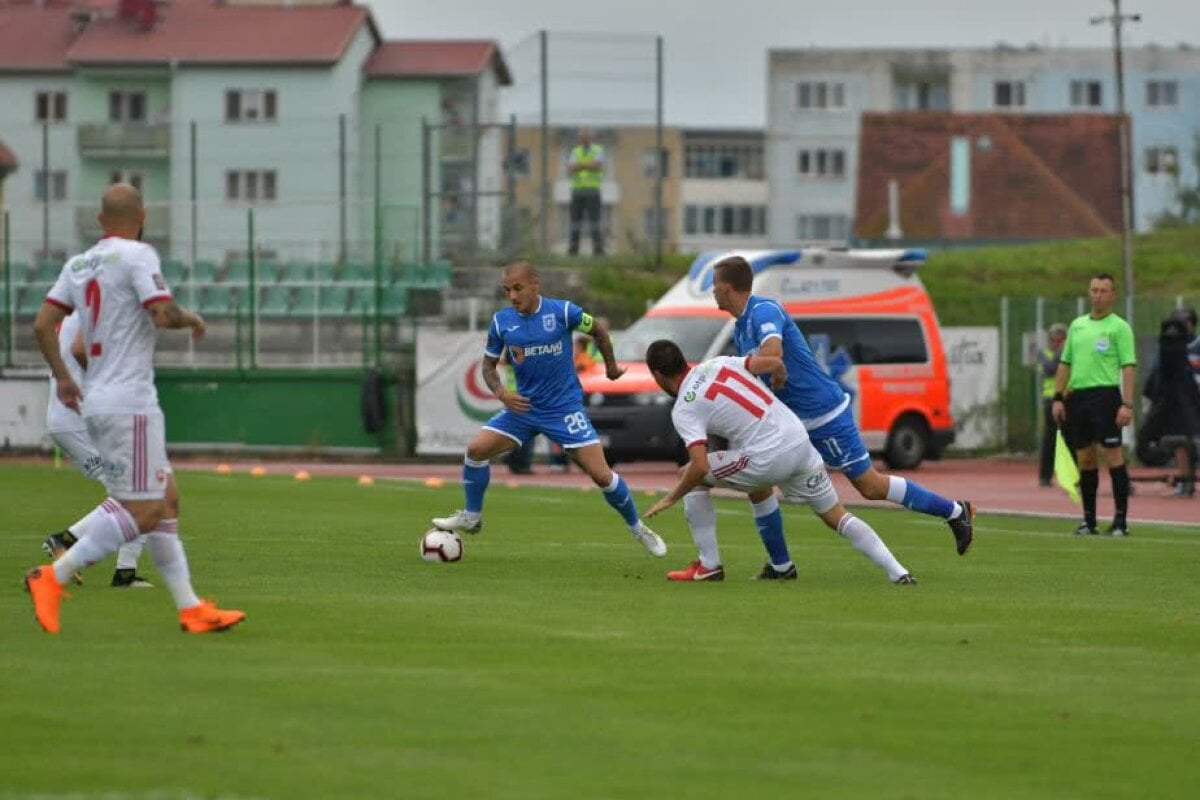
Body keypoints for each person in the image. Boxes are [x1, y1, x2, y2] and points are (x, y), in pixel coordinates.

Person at [23, 183, 245, 634]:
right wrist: (192, 319)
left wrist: (64, 379)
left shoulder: (79, 265)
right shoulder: (138, 256)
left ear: (100, 220)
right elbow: (162, 313)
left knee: (167, 499)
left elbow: (43, 325)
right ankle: (54, 576)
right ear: (142, 216)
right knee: (144, 510)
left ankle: (190, 607)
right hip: (132, 402)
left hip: (101, 401)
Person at [708, 255, 974, 577]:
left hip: (822, 415)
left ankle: (955, 511)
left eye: (714, 285)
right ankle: (781, 566)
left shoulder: (763, 310)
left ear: (727, 287)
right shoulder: (740, 327)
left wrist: (757, 368)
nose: (712, 291)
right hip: (790, 424)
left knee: (870, 486)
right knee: (759, 484)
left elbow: (773, 353)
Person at [431, 260, 665, 557]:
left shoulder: (563, 312)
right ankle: (472, 516)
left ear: (534, 284)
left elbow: (600, 331)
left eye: (518, 288)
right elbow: (489, 366)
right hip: (524, 408)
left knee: (602, 476)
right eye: (507, 290)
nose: (513, 296)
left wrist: (611, 367)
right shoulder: (502, 322)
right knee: (476, 451)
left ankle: (638, 528)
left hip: (564, 409)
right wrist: (502, 393)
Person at [643, 340, 913, 584]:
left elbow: (699, 466)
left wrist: (671, 498)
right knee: (835, 515)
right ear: (683, 360)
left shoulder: (684, 408)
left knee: (688, 474)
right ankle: (898, 571)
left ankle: (709, 565)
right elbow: (772, 363)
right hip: (799, 441)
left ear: (657, 375)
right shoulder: (720, 362)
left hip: (768, 455)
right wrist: (779, 378)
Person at [41, 310, 153, 588]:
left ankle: (125, 573)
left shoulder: (76, 311)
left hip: (70, 418)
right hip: (77, 419)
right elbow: (80, 350)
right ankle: (65, 540)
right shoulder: (95, 307)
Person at [1051, 272, 1137, 536]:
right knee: (1085, 458)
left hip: (1106, 397)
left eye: (1103, 290)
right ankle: (1089, 520)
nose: (1098, 294)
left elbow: (1128, 367)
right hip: (1078, 398)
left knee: (1113, 456)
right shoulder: (1077, 326)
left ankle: (1120, 521)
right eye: (1094, 290)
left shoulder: (1119, 327)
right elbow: (1065, 364)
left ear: (1113, 295)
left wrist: (1127, 404)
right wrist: (1058, 397)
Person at [1036, 323, 1069, 487]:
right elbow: (1050, 369)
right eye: (1054, 340)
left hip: (1068, 399)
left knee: (1070, 439)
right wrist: (1062, 355)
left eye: (1061, 340)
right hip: (1051, 400)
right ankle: (1045, 476)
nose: (1057, 343)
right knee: (1050, 439)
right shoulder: (1045, 354)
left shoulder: (1069, 354)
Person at [566, 128, 605, 256]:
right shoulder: (575, 151)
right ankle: (573, 249)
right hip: (577, 191)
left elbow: (598, 166)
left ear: (591, 137)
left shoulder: (598, 150)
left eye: (587, 136)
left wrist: (580, 165)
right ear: (580, 138)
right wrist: (588, 164)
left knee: (595, 220)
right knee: (575, 220)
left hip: (593, 191)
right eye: (582, 136)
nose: (585, 138)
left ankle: (598, 250)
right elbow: (571, 168)